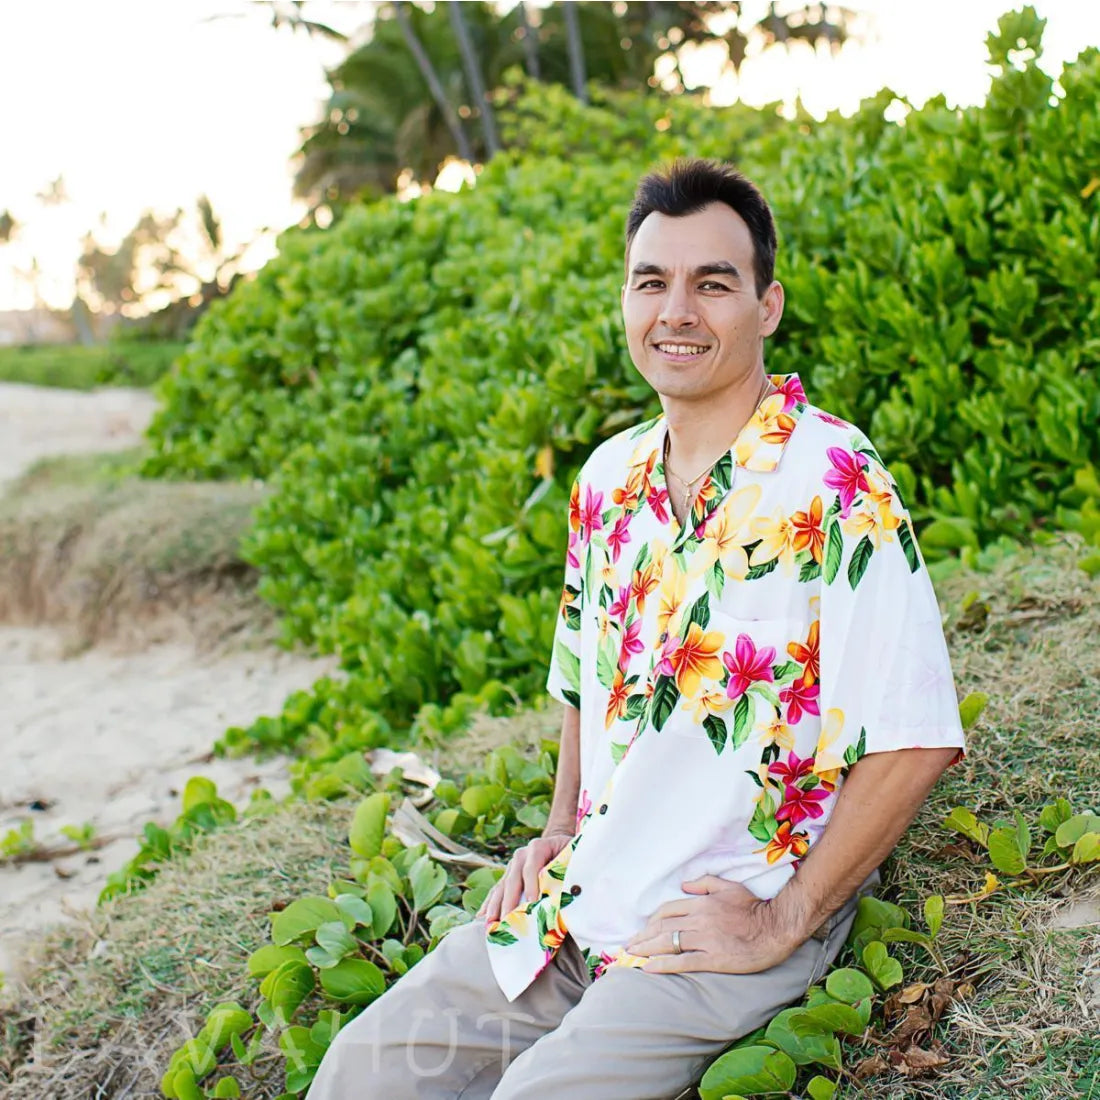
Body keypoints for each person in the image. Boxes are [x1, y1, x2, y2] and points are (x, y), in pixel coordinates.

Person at [306, 157, 967, 1099]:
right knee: (356, 1077)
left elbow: (914, 735)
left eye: (713, 283)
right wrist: (557, 830)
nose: (678, 311)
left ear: (768, 306)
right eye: (652, 282)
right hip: (580, 902)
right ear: (626, 300)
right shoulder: (607, 480)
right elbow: (586, 680)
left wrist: (785, 924)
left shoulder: (834, 478)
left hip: (720, 921)